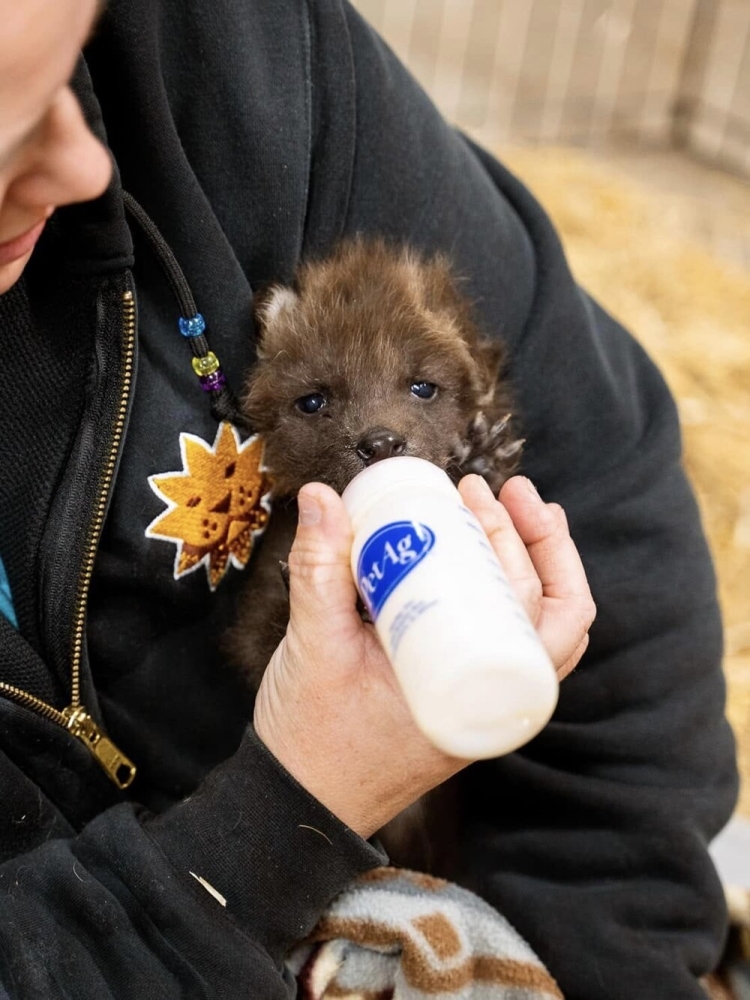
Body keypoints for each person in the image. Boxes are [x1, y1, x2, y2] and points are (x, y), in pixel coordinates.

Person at [0, 0, 736, 997]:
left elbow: (612, 486)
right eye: (10, 127)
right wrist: (283, 810)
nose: (85, 167)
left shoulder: (227, 53)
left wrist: (607, 960)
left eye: (64, 74)